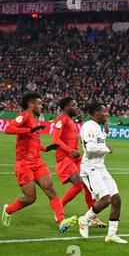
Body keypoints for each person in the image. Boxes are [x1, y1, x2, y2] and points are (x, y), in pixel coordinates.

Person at [1, 92, 77, 232]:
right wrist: (29, 129)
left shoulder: (36, 120)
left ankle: (61, 221)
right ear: (31, 104)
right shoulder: (24, 115)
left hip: (38, 161)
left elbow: (33, 142)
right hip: (24, 163)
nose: (42, 106)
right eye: (39, 103)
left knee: (50, 189)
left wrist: (46, 148)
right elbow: (9, 129)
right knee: (30, 198)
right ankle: (8, 210)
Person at [52, 97, 106, 227]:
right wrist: (69, 150)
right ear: (65, 107)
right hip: (65, 158)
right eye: (73, 105)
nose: (76, 107)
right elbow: (55, 139)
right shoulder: (61, 118)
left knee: (88, 186)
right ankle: (59, 209)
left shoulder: (71, 121)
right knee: (78, 184)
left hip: (76, 158)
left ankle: (92, 217)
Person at [77, 103, 127, 244]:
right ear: (95, 113)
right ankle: (84, 220)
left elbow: (97, 140)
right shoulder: (88, 126)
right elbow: (90, 148)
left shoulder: (96, 127)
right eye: (104, 112)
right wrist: (107, 149)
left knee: (116, 199)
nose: (107, 114)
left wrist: (105, 131)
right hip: (90, 168)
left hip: (100, 167)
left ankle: (111, 235)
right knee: (106, 199)